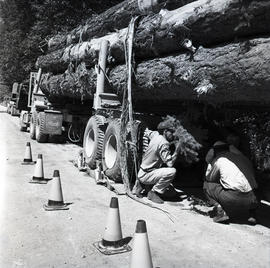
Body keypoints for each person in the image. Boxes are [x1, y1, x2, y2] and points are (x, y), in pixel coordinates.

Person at [204, 141, 259, 224]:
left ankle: (220, 212)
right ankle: (252, 215)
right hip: (254, 199)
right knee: (254, 186)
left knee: (207, 185)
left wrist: (210, 165)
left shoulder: (220, 160)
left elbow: (210, 178)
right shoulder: (243, 158)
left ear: (215, 151)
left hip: (233, 199)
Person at [136, 121, 177, 204]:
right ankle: (154, 192)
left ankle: (142, 184)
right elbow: (170, 164)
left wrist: (141, 123)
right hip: (146, 175)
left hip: (142, 171)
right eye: (171, 132)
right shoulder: (164, 143)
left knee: (172, 192)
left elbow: (147, 132)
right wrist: (177, 150)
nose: (173, 134)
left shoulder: (155, 135)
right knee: (172, 171)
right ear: (165, 132)